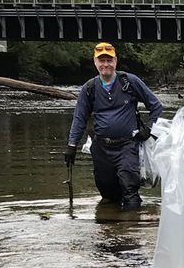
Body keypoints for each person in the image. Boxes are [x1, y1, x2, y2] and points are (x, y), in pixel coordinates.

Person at [64, 42, 163, 209]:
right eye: (101, 60)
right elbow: (79, 118)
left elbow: (156, 106)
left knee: (129, 188)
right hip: (101, 147)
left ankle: (132, 228)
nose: (105, 65)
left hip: (128, 145)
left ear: (115, 61)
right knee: (107, 192)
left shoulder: (130, 82)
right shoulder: (89, 88)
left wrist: (149, 129)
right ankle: (111, 230)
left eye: (109, 60)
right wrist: (71, 146)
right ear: (95, 62)